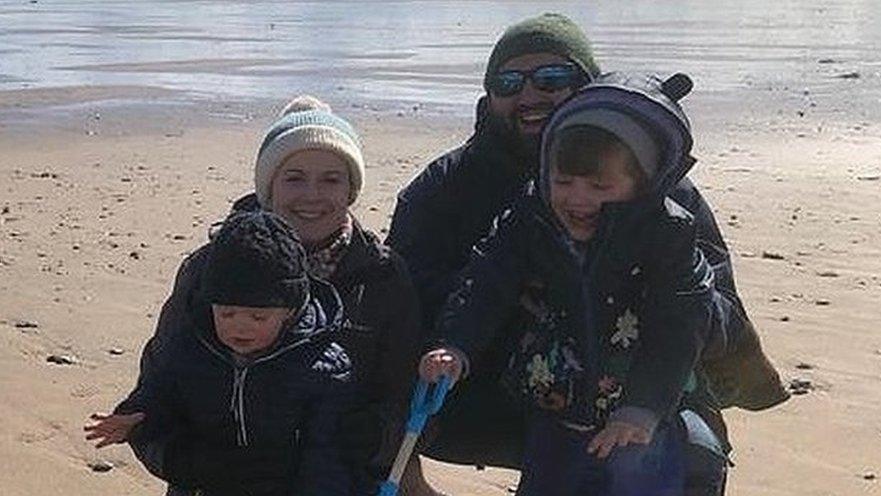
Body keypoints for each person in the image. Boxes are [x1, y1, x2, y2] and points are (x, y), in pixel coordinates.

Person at [388, 13, 788, 495]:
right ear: (489, 93)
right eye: (509, 81)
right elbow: (412, 293)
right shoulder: (451, 189)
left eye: (553, 78)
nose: (530, 95)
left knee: (692, 454)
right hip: (513, 383)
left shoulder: (665, 202)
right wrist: (508, 317)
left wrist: (647, 307)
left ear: (588, 85)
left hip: (646, 386)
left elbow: (716, 314)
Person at [91, 96, 425, 494]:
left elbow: (408, 400)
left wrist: (369, 438)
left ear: (352, 190)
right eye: (294, 178)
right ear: (268, 187)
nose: (312, 195)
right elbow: (161, 383)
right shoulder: (209, 268)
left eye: (331, 179)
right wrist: (190, 463)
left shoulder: (383, 275)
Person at [86, 211, 355, 495]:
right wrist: (139, 418)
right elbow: (163, 395)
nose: (240, 327)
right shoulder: (190, 347)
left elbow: (328, 453)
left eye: (258, 317)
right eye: (227, 313)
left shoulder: (322, 366)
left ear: (289, 311)